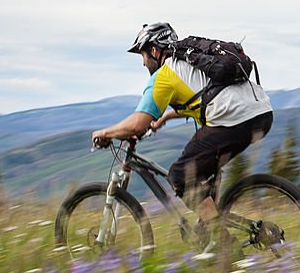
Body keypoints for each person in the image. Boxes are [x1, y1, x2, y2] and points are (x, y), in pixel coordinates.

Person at [91, 22, 273, 229]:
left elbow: (137, 125)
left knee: (180, 176)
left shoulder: (164, 76)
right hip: (262, 113)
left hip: (233, 121)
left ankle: (221, 243)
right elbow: (204, 96)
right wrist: (166, 117)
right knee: (204, 172)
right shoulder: (192, 64)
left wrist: (106, 133)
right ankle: (209, 227)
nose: (143, 63)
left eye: (142, 55)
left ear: (153, 50)